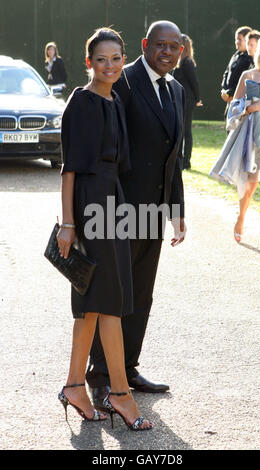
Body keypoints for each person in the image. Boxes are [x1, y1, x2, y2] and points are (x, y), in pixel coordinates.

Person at [86, 20, 187, 410]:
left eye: (173, 46)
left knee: (140, 295)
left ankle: (126, 369)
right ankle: (99, 378)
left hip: (153, 212)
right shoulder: (122, 81)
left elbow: (173, 158)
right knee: (111, 296)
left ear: (180, 50)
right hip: (117, 210)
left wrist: (176, 210)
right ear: (145, 45)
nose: (166, 52)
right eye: (160, 44)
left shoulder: (176, 89)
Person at [56, 27, 152, 431]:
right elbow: (70, 169)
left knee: (95, 303)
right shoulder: (81, 103)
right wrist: (68, 224)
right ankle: (119, 393)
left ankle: (76, 386)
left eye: (116, 58)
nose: (110, 66)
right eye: (101, 59)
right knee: (105, 301)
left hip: (114, 206)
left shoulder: (113, 101)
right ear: (88, 63)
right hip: (90, 208)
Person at [233, 35, 260, 253]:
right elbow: (235, 107)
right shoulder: (248, 75)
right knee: (251, 184)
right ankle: (241, 218)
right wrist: (252, 107)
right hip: (255, 136)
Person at [173, 34, 202, 169]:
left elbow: (194, 82)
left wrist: (197, 98)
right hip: (179, 99)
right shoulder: (179, 63)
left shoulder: (187, 62)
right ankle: (180, 158)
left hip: (187, 100)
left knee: (186, 131)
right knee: (180, 130)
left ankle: (186, 161)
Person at [221, 26, 253, 114]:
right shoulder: (235, 55)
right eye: (236, 39)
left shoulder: (250, 59)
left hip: (241, 101)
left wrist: (231, 93)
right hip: (230, 100)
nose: (237, 42)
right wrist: (224, 91)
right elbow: (226, 73)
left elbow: (246, 80)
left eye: (239, 39)